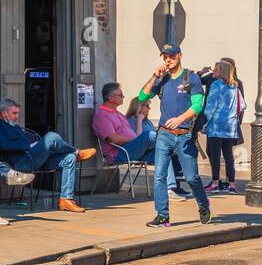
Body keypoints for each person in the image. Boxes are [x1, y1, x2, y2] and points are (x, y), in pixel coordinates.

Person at [136, 43, 212, 228]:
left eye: (171, 56)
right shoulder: (162, 80)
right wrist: (155, 76)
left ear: (180, 56)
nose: (167, 60)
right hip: (164, 134)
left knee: (192, 177)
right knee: (160, 176)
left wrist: (180, 119)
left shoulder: (191, 78)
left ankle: (203, 205)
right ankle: (163, 215)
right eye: (165, 57)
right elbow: (141, 97)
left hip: (185, 135)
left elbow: (197, 106)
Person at [0, 99, 97, 212]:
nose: (17, 116)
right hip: (22, 163)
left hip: (36, 160)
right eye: (14, 113)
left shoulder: (16, 127)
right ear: (4, 113)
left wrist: (35, 145)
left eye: (18, 113)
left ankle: (66, 200)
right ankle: (76, 151)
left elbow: (33, 141)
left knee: (69, 159)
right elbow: (3, 145)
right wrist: (29, 146)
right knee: (51, 136)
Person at [91, 82, 183, 191]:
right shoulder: (102, 115)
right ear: (111, 98)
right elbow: (114, 139)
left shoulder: (119, 114)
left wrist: (137, 140)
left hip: (134, 150)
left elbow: (134, 136)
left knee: (163, 152)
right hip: (119, 153)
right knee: (149, 135)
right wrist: (136, 140)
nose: (123, 97)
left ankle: (171, 188)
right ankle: (174, 144)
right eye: (120, 95)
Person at [203, 59, 243, 194]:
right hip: (230, 127)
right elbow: (243, 105)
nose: (213, 71)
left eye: (216, 69)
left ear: (222, 72)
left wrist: (205, 123)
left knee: (215, 155)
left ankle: (215, 183)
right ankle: (232, 184)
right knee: (228, 156)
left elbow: (210, 107)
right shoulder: (234, 87)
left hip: (216, 126)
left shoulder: (216, 85)